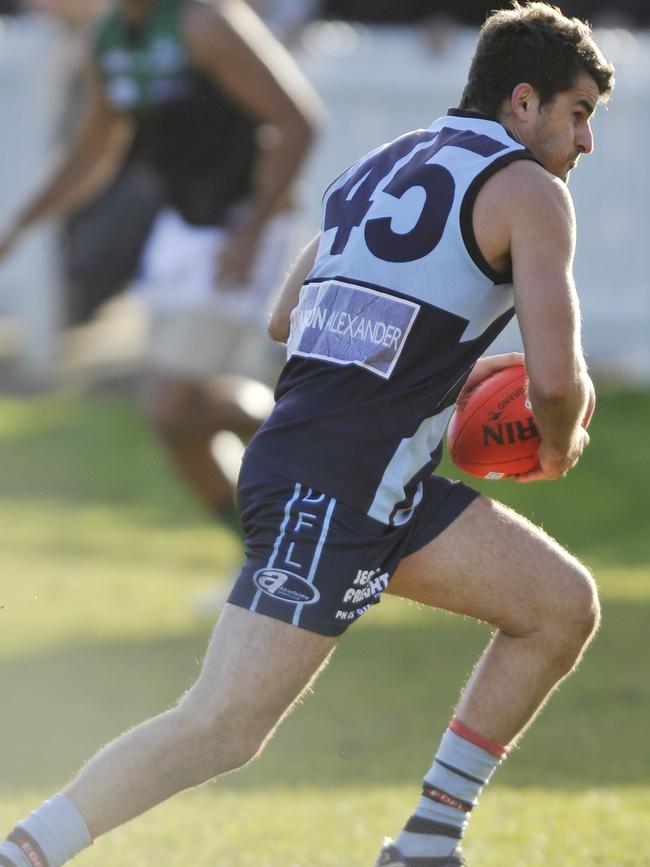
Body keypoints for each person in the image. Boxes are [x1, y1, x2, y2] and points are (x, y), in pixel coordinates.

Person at [0, 3, 614, 866]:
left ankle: (428, 840)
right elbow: (557, 379)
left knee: (559, 605)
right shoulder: (529, 192)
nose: (584, 142)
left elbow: (293, 315)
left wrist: (445, 375)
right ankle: (27, 849)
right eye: (578, 112)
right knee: (220, 725)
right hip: (333, 485)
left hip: (367, 477)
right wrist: (554, 441)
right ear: (523, 102)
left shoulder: (383, 164)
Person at [0, 0, 322, 527]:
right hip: (180, 226)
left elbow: (297, 123)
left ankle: (321, 441)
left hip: (240, 222)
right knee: (174, 425)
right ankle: (260, 554)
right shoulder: (109, 37)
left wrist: (250, 228)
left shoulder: (207, 22)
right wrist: (19, 223)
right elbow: (92, 150)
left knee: (170, 406)